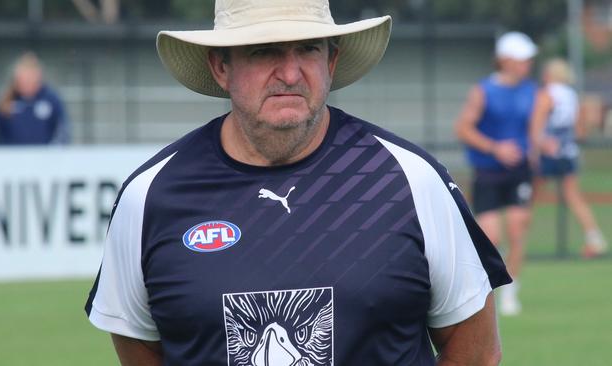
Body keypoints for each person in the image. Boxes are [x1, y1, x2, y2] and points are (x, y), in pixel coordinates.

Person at [85, 1, 511, 364]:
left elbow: (475, 351)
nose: (289, 73)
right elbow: (139, 347)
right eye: (264, 50)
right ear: (221, 67)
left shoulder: (411, 180)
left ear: (331, 62)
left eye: (307, 49)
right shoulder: (150, 196)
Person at [454, 31, 538, 316]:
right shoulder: (483, 91)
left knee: (517, 228)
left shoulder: (532, 90)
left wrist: (542, 143)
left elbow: (535, 129)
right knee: (492, 238)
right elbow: (463, 129)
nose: (528, 64)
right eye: (522, 59)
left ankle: (511, 292)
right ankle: (486, 290)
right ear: (505, 60)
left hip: (520, 172)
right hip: (488, 172)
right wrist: (495, 148)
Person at [530, 58, 608, 258]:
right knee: (573, 196)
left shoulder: (546, 94)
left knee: (530, 198)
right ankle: (594, 237)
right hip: (568, 152)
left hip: (549, 152)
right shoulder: (572, 95)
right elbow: (580, 129)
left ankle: (513, 240)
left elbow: (535, 127)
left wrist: (535, 150)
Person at [0, 52, 70, 145]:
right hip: (12, 156)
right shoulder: (6, 100)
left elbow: (62, 129)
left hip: (44, 156)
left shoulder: (51, 99)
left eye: (30, 78)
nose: (27, 83)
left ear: (38, 77)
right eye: (24, 79)